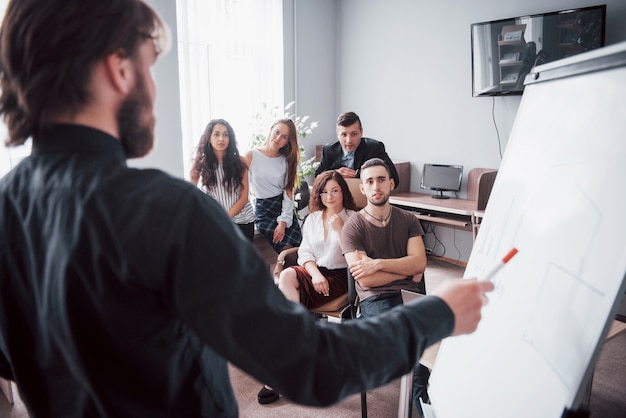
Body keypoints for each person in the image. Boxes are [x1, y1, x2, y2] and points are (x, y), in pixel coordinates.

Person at [0, 1, 494, 417]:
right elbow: (311, 365)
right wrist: (438, 314)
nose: (153, 89)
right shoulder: (169, 213)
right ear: (118, 68)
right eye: (150, 67)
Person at [258, 171, 358, 404]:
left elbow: (353, 257)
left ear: (343, 191)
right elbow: (305, 253)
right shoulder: (313, 218)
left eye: (335, 191)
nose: (329, 197)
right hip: (315, 273)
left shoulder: (354, 217)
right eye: (324, 192)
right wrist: (314, 275)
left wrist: (340, 228)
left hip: (340, 276)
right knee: (287, 276)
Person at [341, 157, 431, 417]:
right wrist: (406, 268)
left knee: (444, 338)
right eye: (369, 181)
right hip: (375, 301)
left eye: (381, 179)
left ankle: (426, 396)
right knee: (412, 346)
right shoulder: (353, 227)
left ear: (391, 183)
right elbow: (366, 281)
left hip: (412, 295)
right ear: (363, 189)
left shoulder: (408, 220)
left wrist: (378, 263)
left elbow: (420, 264)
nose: (376, 186)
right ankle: (422, 403)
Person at [189, 118, 255, 241]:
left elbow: (244, 197)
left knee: (239, 260)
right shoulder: (200, 164)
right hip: (216, 222)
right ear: (209, 138)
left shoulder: (240, 162)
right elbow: (190, 194)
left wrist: (224, 218)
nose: (221, 139)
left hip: (243, 222)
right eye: (216, 134)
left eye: (226, 135)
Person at [245, 118, 302, 252]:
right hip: (263, 210)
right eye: (276, 132)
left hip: (283, 207)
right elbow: (242, 189)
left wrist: (283, 222)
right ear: (271, 130)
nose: (278, 138)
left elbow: (288, 193)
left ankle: (296, 273)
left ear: (288, 141)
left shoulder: (287, 160)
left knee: (298, 251)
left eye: (284, 137)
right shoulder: (251, 155)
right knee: (286, 249)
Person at [315, 111, 400, 188]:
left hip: (365, 199)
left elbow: (394, 178)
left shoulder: (374, 148)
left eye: (354, 134)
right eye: (344, 135)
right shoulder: (328, 150)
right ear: (337, 134)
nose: (349, 140)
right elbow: (317, 178)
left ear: (361, 132)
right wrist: (335, 174)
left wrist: (357, 174)